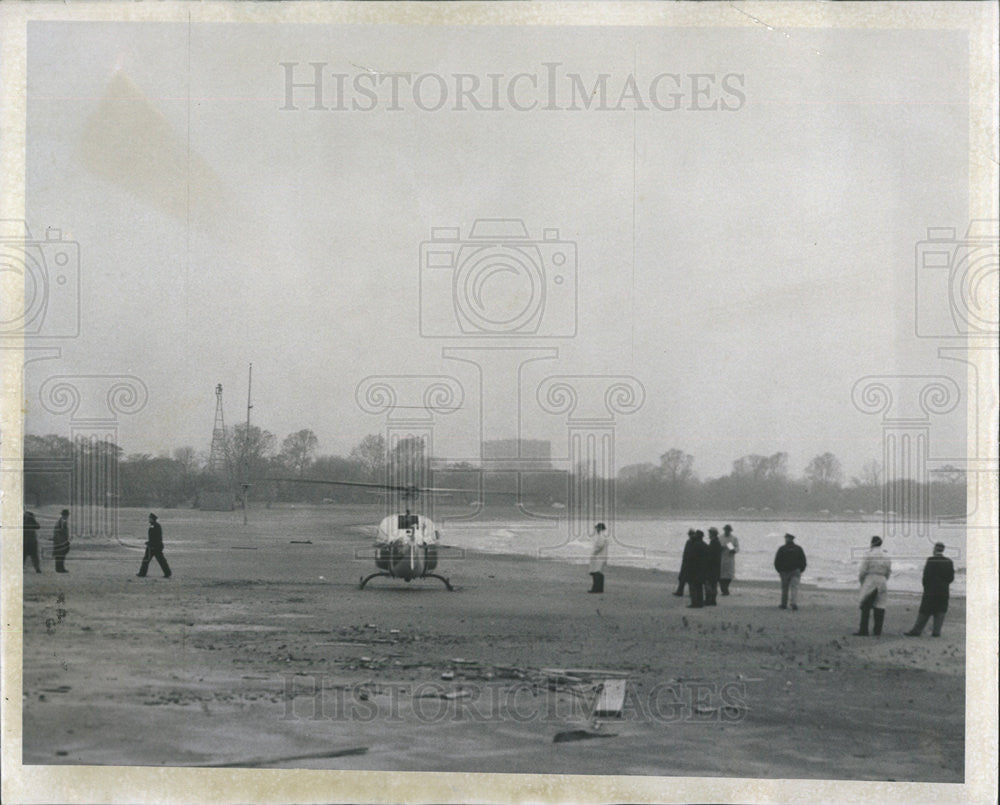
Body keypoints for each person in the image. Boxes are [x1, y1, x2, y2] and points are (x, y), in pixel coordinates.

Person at [905, 542, 954, 637]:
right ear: (943, 550)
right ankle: (936, 631)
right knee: (940, 610)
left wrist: (926, 587)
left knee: (925, 610)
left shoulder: (931, 560)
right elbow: (951, 578)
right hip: (944, 590)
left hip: (931, 589)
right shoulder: (949, 561)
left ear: (935, 549)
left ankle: (917, 630)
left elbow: (926, 576)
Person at [854, 535, 891, 636]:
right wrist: (884, 579)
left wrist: (862, 582)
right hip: (882, 579)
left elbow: (863, 570)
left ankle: (864, 629)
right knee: (880, 605)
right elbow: (888, 571)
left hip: (871, 579)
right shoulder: (886, 555)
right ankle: (877, 630)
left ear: (872, 543)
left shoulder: (868, 555)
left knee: (866, 604)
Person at [773, 533, 806, 610]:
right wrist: (801, 569)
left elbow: (777, 561)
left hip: (784, 571)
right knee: (794, 588)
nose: (785, 539)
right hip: (795, 570)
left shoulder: (782, 548)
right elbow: (803, 560)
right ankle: (793, 603)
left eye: (786, 538)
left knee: (785, 588)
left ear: (787, 539)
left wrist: (779, 570)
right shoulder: (798, 548)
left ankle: (784, 604)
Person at [137, 512, 172, 578]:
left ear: (152, 519)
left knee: (156, 560)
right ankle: (142, 573)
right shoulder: (154, 525)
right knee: (156, 560)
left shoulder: (155, 526)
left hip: (155, 547)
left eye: (150, 518)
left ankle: (142, 573)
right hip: (153, 546)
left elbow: (156, 537)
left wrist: (151, 544)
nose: (149, 519)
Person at [683, 530, 710, 608]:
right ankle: (700, 602)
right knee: (699, 586)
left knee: (693, 586)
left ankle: (695, 603)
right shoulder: (705, 545)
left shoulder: (695, 545)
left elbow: (690, 557)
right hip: (703, 569)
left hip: (694, 569)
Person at [673, 529, 695, 596]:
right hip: (687, 563)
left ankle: (683, 592)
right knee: (684, 579)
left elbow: (688, 553)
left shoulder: (691, 542)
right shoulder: (689, 541)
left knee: (687, 579)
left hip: (689, 563)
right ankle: (681, 591)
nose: (690, 535)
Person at [587, 522, 608, 593]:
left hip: (599, 556)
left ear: (600, 528)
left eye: (597, 528)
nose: (596, 529)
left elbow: (599, 546)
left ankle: (596, 588)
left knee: (596, 572)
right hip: (601, 556)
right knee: (598, 572)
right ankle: (599, 588)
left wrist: (594, 552)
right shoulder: (603, 536)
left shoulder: (601, 536)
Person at [704, 528, 723, 606]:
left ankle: (710, 600)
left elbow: (711, 555)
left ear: (712, 534)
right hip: (716, 566)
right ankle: (712, 600)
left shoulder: (714, 542)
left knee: (709, 583)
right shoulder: (717, 542)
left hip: (712, 567)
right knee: (713, 584)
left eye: (710, 533)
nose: (709, 535)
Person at [719, 524, 739, 595]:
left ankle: (725, 588)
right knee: (720, 575)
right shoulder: (720, 537)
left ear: (730, 531)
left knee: (729, 575)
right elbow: (716, 547)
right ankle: (724, 590)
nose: (727, 531)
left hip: (730, 558)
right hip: (721, 558)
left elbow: (737, 548)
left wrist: (734, 550)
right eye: (726, 530)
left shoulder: (734, 538)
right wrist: (720, 548)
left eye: (728, 530)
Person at [52, 508, 70, 573]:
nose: (67, 517)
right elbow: (58, 533)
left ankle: (59, 568)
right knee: (60, 555)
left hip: (60, 541)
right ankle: (60, 568)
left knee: (60, 555)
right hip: (60, 542)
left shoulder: (61, 521)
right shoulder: (61, 522)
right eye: (66, 515)